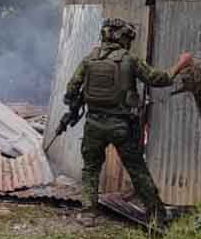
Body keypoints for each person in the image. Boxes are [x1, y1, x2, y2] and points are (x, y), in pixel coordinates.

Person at [64, 17, 193, 227]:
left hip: (93, 124)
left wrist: (79, 103)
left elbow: (70, 92)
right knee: (137, 169)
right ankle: (156, 216)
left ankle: (88, 213)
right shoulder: (129, 60)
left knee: (90, 168)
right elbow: (157, 79)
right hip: (121, 126)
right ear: (124, 38)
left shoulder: (89, 59)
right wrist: (181, 64)